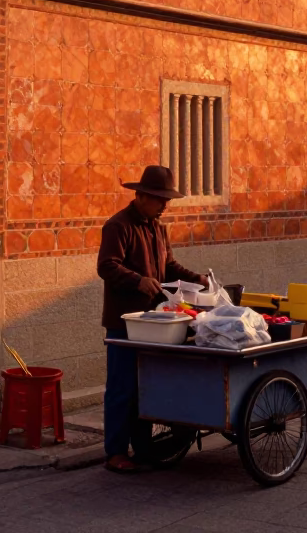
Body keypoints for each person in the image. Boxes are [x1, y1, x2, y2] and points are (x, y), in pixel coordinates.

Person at [97, 164, 206, 474]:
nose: (164, 206)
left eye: (166, 200)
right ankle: (116, 452)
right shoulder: (118, 226)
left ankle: (143, 447)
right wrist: (138, 281)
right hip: (124, 322)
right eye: (160, 199)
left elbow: (169, 266)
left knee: (145, 386)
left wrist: (197, 278)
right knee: (122, 388)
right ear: (142, 196)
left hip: (153, 322)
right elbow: (107, 266)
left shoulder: (158, 228)